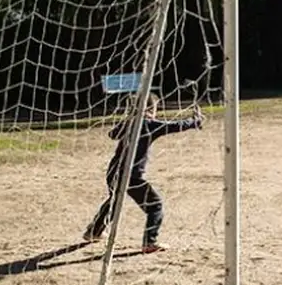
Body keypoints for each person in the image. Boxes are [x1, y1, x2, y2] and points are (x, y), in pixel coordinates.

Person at [84, 94, 203, 252]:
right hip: (131, 176)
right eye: (155, 109)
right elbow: (175, 126)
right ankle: (149, 242)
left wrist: (128, 119)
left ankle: (94, 231)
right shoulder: (148, 124)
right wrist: (195, 121)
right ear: (149, 109)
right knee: (155, 205)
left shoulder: (130, 123)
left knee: (115, 201)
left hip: (114, 172)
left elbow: (113, 134)